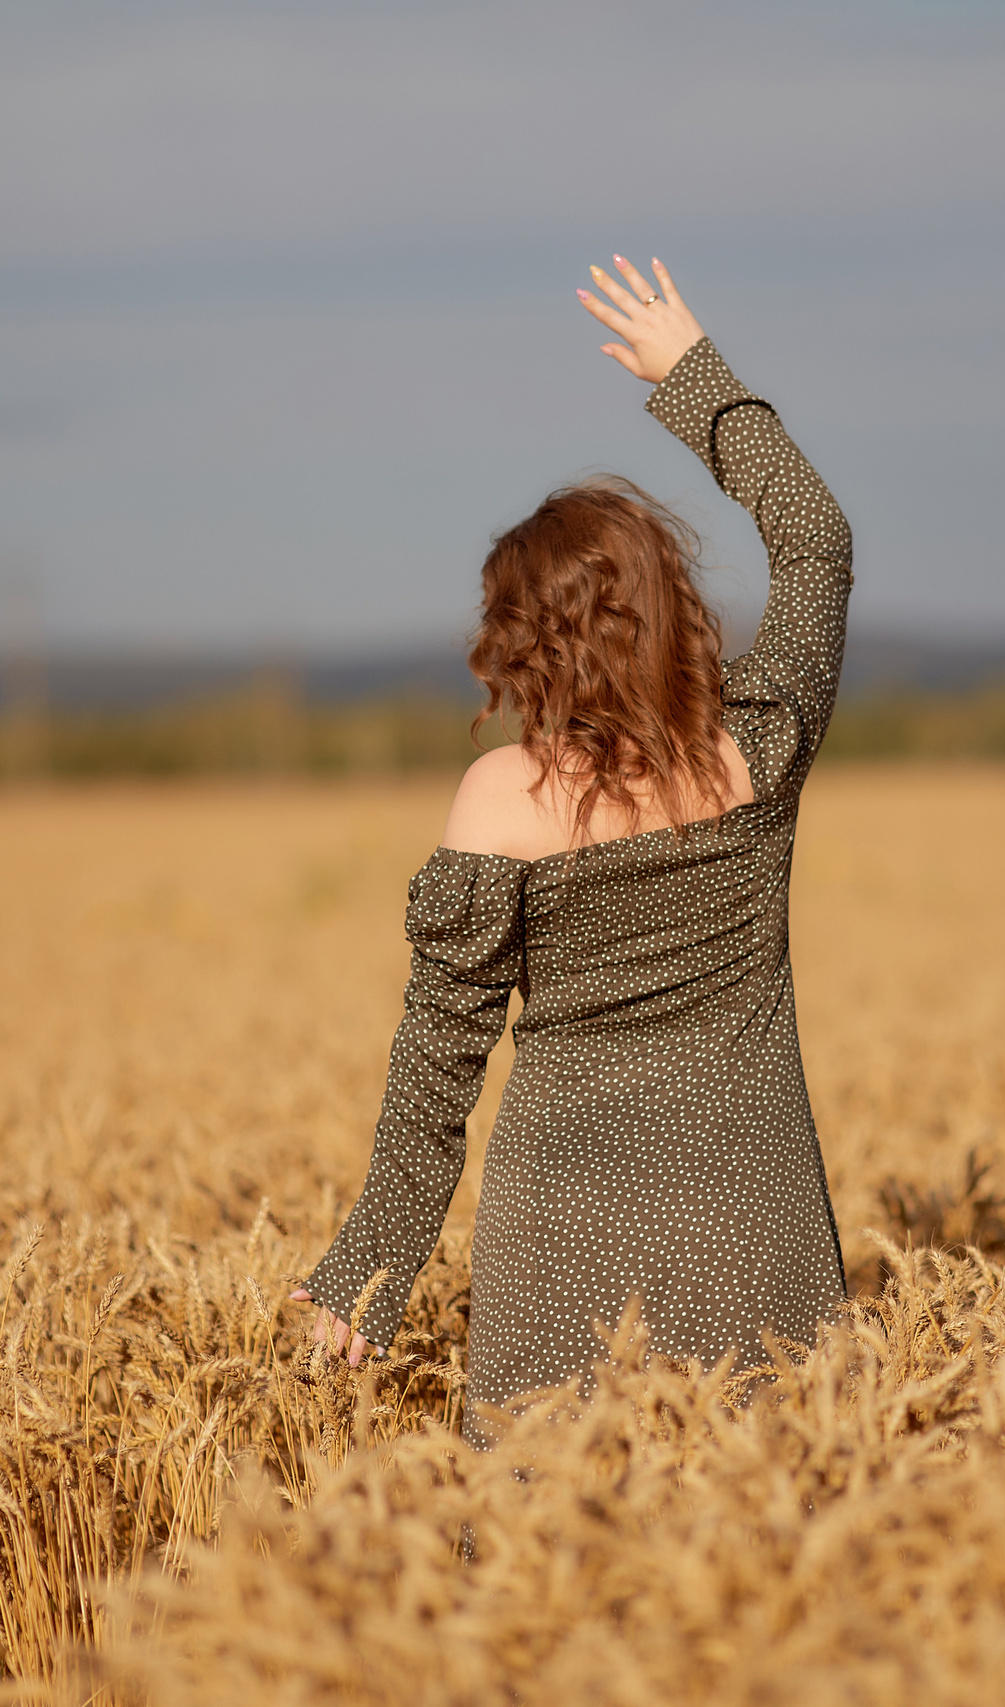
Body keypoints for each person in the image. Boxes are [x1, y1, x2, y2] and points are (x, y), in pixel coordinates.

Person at [291, 255, 852, 1445]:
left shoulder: (498, 802)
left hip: (564, 1249)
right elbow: (815, 546)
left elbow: (435, 1067)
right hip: (755, 1223)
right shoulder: (758, 751)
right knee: (774, 1577)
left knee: (548, 1587)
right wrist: (697, 378)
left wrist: (372, 1269)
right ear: (671, 610)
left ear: (517, 647)